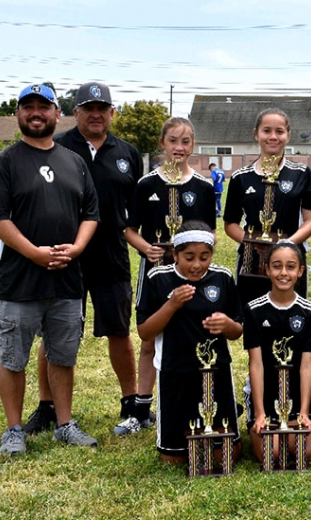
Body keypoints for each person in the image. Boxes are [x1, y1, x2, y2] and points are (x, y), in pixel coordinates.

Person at [0, 83, 100, 454]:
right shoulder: (5, 163)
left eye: (43, 107)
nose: (35, 113)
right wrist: (34, 252)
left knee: (63, 356)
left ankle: (64, 424)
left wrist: (77, 248)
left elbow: (90, 214)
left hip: (66, 281)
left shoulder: (73, 161)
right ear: (18, 114)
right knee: (13, 357)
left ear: (56, 114)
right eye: (27, 107)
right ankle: (13, 430)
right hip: (19, 281)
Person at [22, 82, 146, 437]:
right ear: (74, 112)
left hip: (111, 255)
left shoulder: (128, 153)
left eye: (102, 108)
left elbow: (135, 209)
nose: (95, 114)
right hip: (65, 256)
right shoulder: (57, 147)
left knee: (119, 331)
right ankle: (47, 407)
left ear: (112, 113)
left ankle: (132, 403)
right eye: (88, 108)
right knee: (56, 333)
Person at [125, 117, 217, 429]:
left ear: (194, 145)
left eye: (186, 141)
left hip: (191, 274)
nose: (179, 147)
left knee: (192, 334)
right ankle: (140, 408)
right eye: (173, 140)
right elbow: (129, 229)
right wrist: (146, 247)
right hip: (154, 271)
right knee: (150, 337)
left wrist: (195, 259)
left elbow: (210, 233)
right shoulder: (146, 184)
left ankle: (196, 400)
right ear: (163, 143)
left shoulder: (203, 187)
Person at [135, 221, 243, 464]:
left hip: (216, 370)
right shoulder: (158, 278)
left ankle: (227, 413)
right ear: (174, 254)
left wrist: (227, 324)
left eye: (204, 257)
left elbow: (237, 330)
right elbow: (144, 331)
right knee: (173, 459)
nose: (197, 265)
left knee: (227, 456)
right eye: (189, 257)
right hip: (176, 370)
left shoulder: (222, 277)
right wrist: (171, 305)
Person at [223, 108, 311, 305]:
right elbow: (230, 224)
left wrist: (285, 246)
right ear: (256, 134)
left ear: (288, 135)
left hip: (290, 258)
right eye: (267, 131)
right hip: (252, 259)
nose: (273, 137)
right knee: (251, 319)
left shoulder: (301, 173)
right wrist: (251, 242)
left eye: (280, 131)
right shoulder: (241, 177)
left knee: (292, 318)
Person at [244, 241, 311, 465]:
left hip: (297, 395)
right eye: (277, 266)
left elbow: (307, 365)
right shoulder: (254, 310)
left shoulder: (310, 312)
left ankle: (298, 417)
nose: (283, 273)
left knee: (303, 453)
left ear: (300, 271)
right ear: (267, 269)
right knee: (272, 454)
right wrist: (260, 413)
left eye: (290, 266)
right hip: (265, 396)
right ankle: (261, 418)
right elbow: (256, 364)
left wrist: (304, 412)